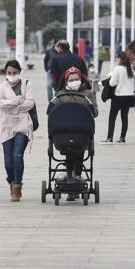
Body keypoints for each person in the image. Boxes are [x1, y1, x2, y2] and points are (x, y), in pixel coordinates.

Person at [48, 67, 98, 201]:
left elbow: (95, 112)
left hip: (81, 132)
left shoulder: (88, 94)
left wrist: (90, 107)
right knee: (69, 152)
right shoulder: (60, 95)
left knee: (78, 151)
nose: (74, 81)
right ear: (66, 81)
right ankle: (71, 176)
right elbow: (50, 112)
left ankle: (75, 177)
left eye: (76, 79)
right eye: (71, 80)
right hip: (63, 132)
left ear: (81, 79)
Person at [0, 60, 35, 202]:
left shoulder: (26, 84)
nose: (12, 75)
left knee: (17, 156)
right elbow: (0, 104)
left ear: (19, 71)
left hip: (23, 124)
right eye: (9, 73)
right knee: (8, 162)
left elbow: (30, 103)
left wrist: (13, 106)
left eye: (15, 73)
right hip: (7, 126)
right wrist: (17, 101)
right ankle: (11, 180)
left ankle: (17, 187)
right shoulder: (1, 87)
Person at [101, 52, 135, 144]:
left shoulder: (117, 69)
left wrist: (111, 77)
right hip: (129, 96)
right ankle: (122, 138)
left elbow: (112, 83)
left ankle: (109, 138)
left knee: (112, 117)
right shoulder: (130, 69)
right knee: (124, 117)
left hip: (119, 96)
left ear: (120, 59)